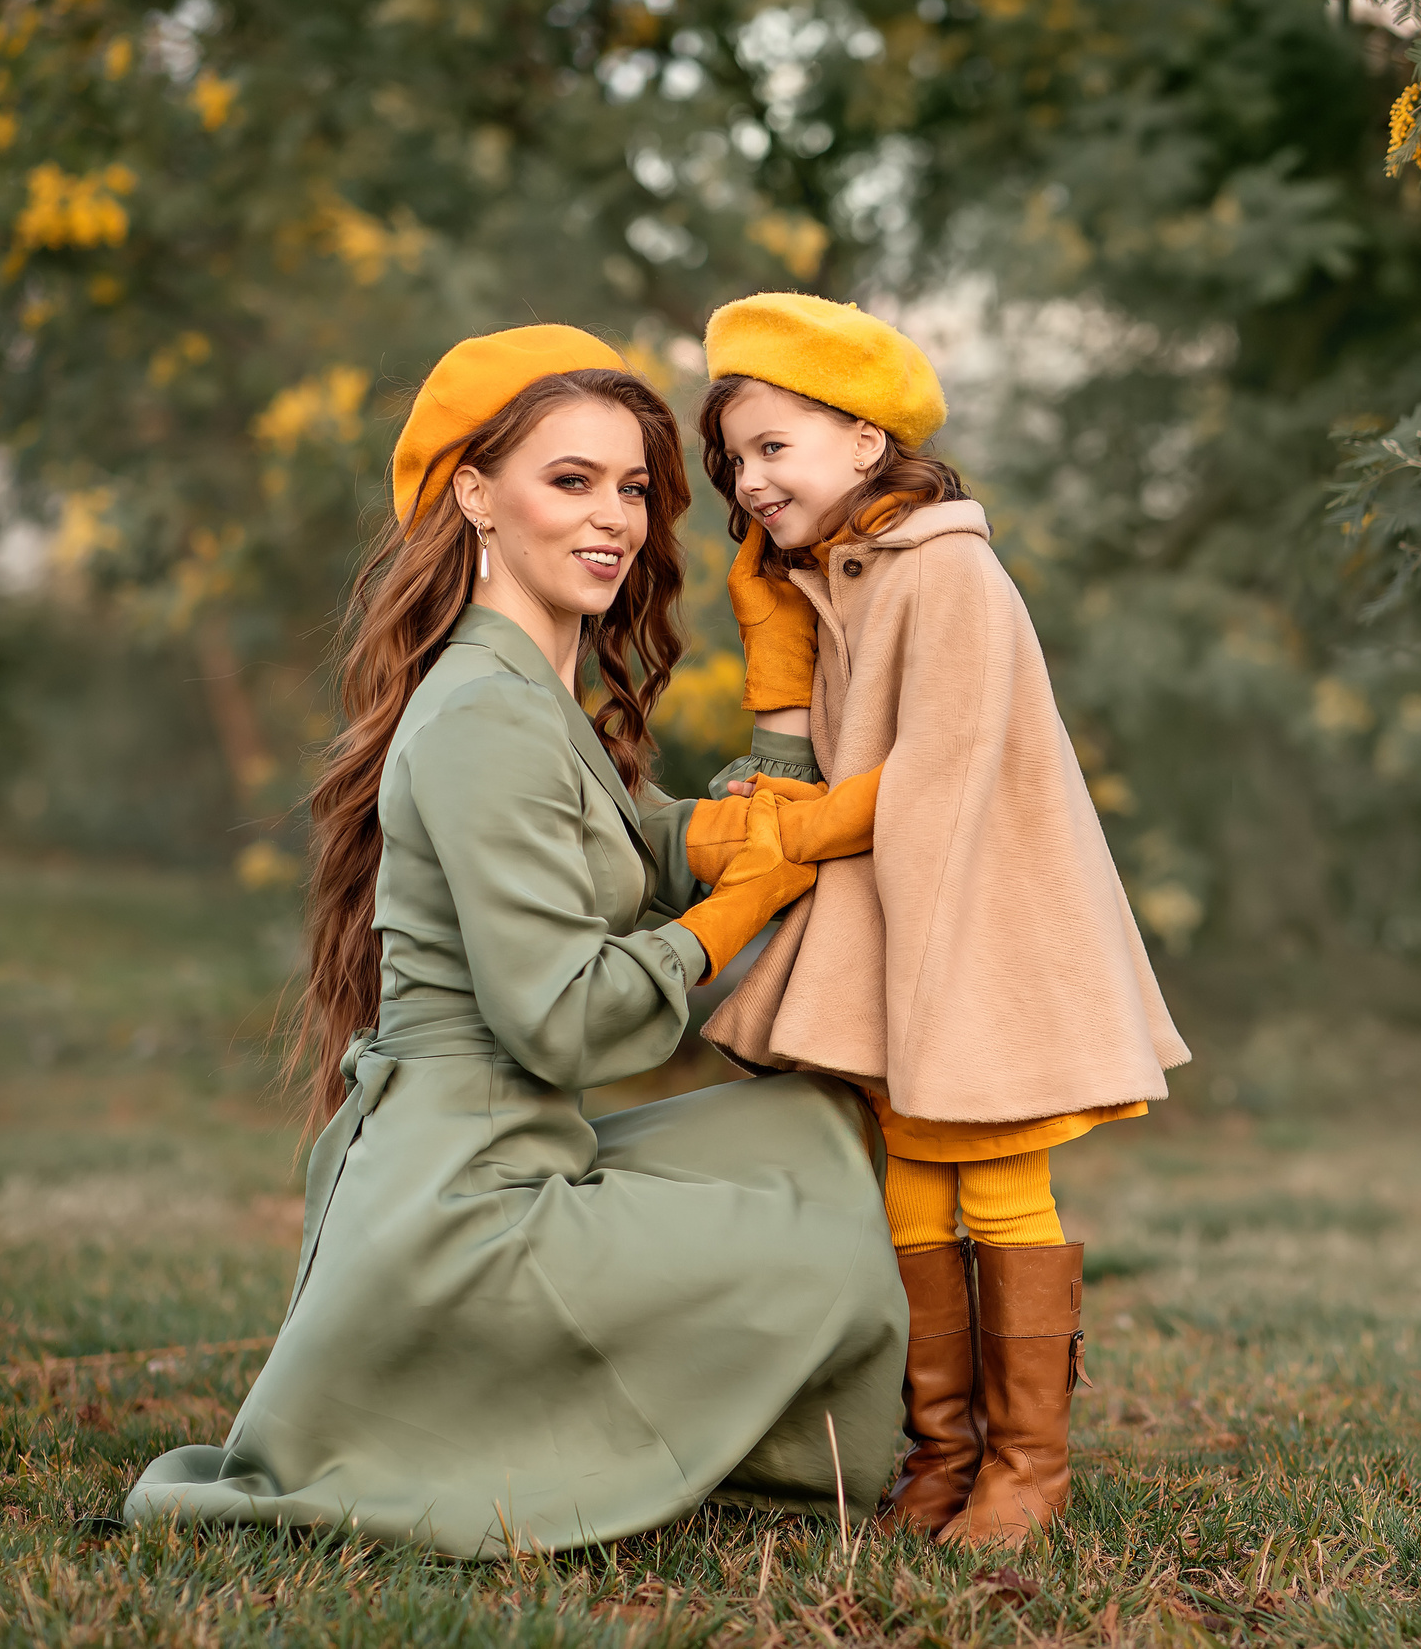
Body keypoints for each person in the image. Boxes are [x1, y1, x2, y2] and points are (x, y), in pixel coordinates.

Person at [121, 326, 908, 1558]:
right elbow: (567, 1022)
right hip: (468, 1212)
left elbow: (623, 843)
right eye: (572, 481)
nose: (616, 519)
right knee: (820, 1257)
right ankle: (839, 1449)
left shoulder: (525, 693)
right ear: (476, 497)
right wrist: (739, 908)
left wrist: (750, 798)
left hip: (505, 1151)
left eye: (635, 487)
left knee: (804, 1131)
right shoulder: (485, 712)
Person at [690, 293, 1190, 1550]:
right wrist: (772, 627)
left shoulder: (947, 568)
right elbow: (804, 751)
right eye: (733, 460)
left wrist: (790, 835)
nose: (747, 481)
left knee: (997, 1172)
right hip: (904, 914)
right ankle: (941, 1452)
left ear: (864, 442)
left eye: (773, 448)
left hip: (979, 918)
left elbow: (945, 768)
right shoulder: (841, 576)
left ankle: (1027, 1467)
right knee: (912, 1174)